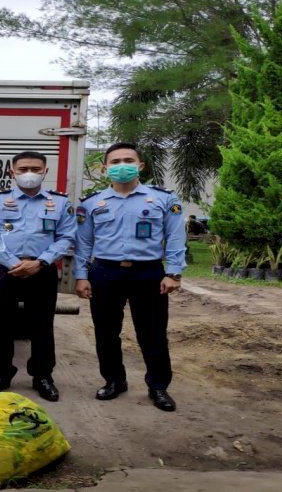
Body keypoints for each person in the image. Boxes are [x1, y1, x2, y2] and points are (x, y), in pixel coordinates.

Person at [74, 142, 186, 412]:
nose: (121, 166)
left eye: (127, 160)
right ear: (104, 168)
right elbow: (83, 243)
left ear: (140, 166)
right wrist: (81, 276)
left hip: (147, 272)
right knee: (106, 332)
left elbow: (175, 237)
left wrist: (173, 272)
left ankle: (158, 386)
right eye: (114, 162)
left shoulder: (164, 199)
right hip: (104, 272)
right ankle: (114, 381)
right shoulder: (92, 204)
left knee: (152, 333)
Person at [0, 151, 76, 402]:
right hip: (4, 269)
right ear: (12, 172)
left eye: (35, 168)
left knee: (42, 326)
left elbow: (66, 236)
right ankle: (0, 375)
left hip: (42, 270)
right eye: (22, 169)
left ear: (45, 172)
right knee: (1, 325)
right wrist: (13, 263)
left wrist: (40, 262)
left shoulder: (60, 203)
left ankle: (43, 376)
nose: (29, 173)